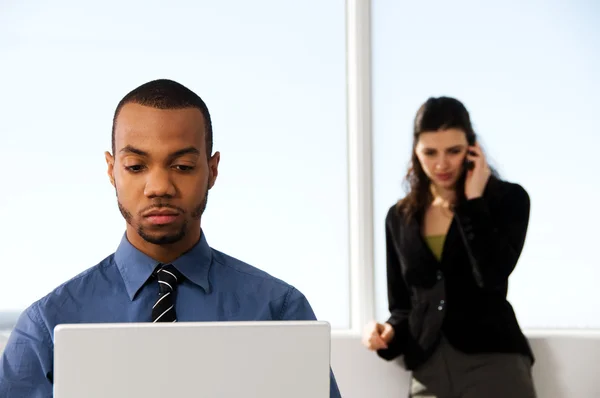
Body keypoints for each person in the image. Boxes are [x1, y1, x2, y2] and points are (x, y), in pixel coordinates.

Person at [0, 79, 342, 398]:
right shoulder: (47, 324)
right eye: (136, 166)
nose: (159, 187)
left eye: (182, 166)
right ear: (111, 169)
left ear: (213, 170)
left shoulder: (279, 311)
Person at [362, 97, 536, 398]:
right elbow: (404, 307)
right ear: (416, 151)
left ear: (472, 149)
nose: (441, 164)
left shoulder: (508, 200)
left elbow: (492, 275)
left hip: (495, 362)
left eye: (453, 151)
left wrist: (473, 203)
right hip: (429, 370)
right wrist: (388, 332)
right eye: (430, 152)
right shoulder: (400, 218)